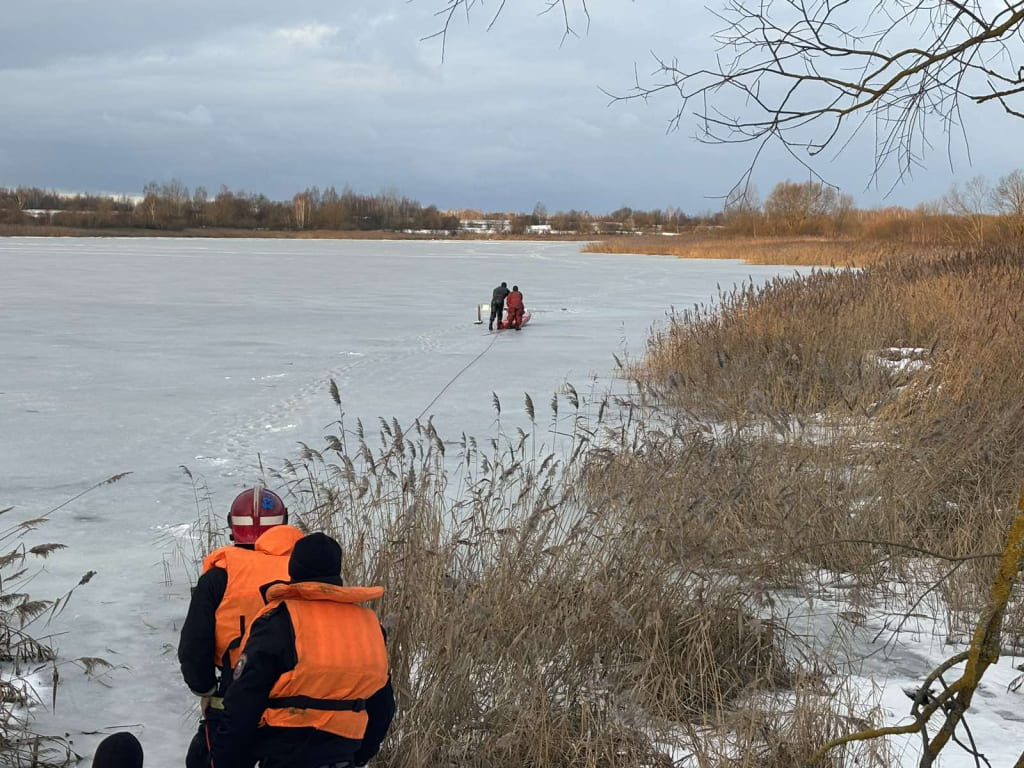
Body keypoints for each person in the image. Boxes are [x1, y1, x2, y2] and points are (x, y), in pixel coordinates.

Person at [211, 532, 395, 768]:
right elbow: (383, 706)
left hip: (284, 757)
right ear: (337, 572)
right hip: (342, 758)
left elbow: (243, 703)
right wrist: (360, 756)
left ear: (293, 569)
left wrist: (226, 760)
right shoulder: (369, 627)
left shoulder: (278, 622)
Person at [178, 486, 303, 768]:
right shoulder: (303, 572)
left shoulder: (219, 578)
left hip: (231, 704)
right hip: (297, 709)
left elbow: (193, 646)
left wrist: (206, 690)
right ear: (283, 523)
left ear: (233, 527)